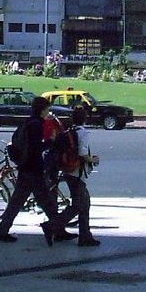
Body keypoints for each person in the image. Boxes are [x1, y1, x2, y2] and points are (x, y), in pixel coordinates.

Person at [0, 96, 71, 245]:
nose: (48, 112)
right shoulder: (36, 125)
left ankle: (3, 230)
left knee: (20, 202)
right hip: (33, 169)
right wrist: (50, 141)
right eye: (47, 109)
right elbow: (36, 148)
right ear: (42, 110)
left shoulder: (29, 122)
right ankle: (56, 230)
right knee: (46, 201)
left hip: (26, 168)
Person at [60, 105, 100, 247]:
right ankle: (53, 226)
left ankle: (85, 235)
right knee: (81, 205)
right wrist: (93, 159)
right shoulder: (83, 133)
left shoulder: (69, 132)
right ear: (85, 119)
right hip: (77, 173)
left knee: (81, 204)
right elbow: (82, 154)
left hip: (68, 170)